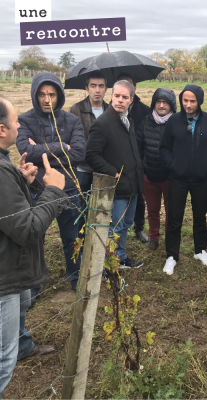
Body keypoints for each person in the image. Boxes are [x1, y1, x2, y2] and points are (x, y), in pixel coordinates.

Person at [0, 97, 68, 398]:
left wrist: (23, 183)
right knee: (4, 358)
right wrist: (53, 190)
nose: (18, 125)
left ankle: (24, 346)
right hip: (5, 275)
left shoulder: (5, 166)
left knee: (23, 308)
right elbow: (27, 229)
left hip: (13, 268)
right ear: (2, 129)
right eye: (14, 121)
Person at [16, 72, 86, 295]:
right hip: (36, 189)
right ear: (35, 95)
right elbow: (26, 151)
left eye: (52, 95)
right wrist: (62, 146)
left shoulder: (72, 120)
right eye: (42, 95)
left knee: (72, 237)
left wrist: (41, 149)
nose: (47, 100)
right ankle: (33, 287)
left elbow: (79, 153)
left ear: (60, 96)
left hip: (68, 188)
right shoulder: (24, 120)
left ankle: (76, 279)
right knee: (35, 238)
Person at [160, 84, 207, 275]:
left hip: (201, 179)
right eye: (185, 100)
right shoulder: (174, 122)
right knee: (174, 217)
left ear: (200, 101)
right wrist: (173, 165)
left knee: (200, 216)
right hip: (177, 179)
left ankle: (200, 251)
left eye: (192, 101)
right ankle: (172, 255)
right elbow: (164, 148)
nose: (188, 104)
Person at [86, 80, 144, 268]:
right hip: (117, 186)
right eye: (117, 96)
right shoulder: (103, 123)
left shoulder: (127, 120)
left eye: (124, 97)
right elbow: (91, 155)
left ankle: (120, 257)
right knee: (115, 227)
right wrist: (113, 172)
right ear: (111, 96)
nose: (120, 100)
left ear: (131, 100)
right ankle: (108, 265)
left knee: (126, 224)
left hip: (133, 184)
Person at [137, 88, 177, 251]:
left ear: (171, 105)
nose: (161, 106)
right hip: (150, 175)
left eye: (165, 103)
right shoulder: (145, 122)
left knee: (171, 211)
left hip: (170, 177)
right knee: (153, 210)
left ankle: (170, 238)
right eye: (158, 102)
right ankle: (154, 237)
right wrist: (143, 169)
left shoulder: (177, 123)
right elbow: (139, 147)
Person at [116, 73, 150, 244]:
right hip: (119, 160)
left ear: (134, 89)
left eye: (129, 85)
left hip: (138, 159)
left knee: (140, 195)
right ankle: (118, 228)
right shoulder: (113, 109)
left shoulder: (144, 110)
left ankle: (139, 227)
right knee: (120, 196)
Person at [69, 71, 108, 198]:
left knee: (100, 209)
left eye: (101, 86)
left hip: (104, 170)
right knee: (81, 206)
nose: (97, 90)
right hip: (83, 169)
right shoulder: (76, 110)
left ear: (106, 89)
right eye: (93, 85)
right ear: (87, 88)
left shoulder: (111, 110)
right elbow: (73, 140)